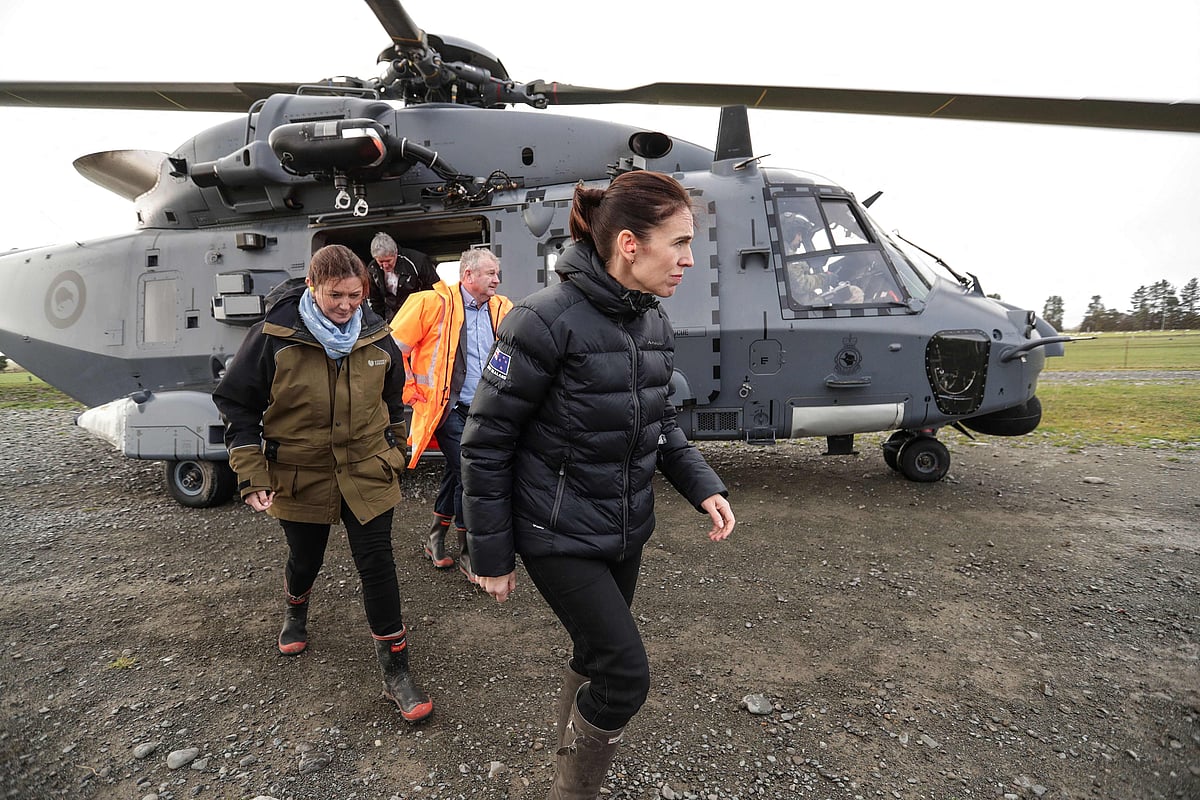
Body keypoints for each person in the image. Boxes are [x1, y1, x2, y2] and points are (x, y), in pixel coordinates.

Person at [459, 171, 736, 798]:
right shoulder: (541, 321)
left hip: (624, 530)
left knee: (593, 653)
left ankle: (564, 769)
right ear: (631, 244)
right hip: (555, 532)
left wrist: (702, 485)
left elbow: (662, 422)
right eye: (681, 243)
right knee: (625, 675)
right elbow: (486, 441)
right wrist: (491, 553)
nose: (690, 260)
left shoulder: (654, 324)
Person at [212, 244, 432, 723]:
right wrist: (251, 472)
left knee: (378, 564)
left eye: (356, 295)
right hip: (301, 473)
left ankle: (398, 673)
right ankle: (295, 610)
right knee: (305, 558)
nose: (347, 306)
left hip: (367, 471)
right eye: (336, 295)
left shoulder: (377, 337)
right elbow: (236, 404)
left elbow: (398, 403)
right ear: (314, 287)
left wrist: (395, 454)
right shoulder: (273, 337)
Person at [390, 247, 512, 582]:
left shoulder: (503, 308)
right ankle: (469, 553)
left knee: (457, 473)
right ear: (468, 275)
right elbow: (390, 350)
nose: (497, 280)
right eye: (490, 273)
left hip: (486, 410)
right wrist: (411, 391)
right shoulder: (428, 303)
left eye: (497, 273)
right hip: (447, 409)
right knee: (470, 474)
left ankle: (434, 538)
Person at [366, 232, 440, 323]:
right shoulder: (372, 269)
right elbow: (376, 301)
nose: (385, 265)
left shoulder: (418, 261)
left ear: (396, 253)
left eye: (389, 260)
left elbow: (435, 289)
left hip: (418, 313)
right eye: (381, 261)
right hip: (392, 317)